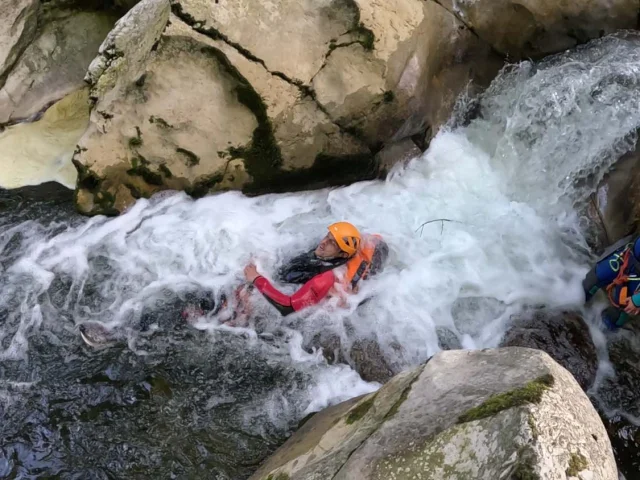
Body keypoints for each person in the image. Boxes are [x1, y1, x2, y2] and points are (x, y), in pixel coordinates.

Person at [239, 222, 388, 318]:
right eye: (327, 237)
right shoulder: (333, 253)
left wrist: (257, 278)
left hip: (312, 309)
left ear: (343, 254)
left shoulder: (326, 279)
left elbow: (287, 307)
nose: (323, 243)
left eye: (332, 243)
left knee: (244, 297)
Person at [583, 234, 640, 330]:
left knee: (617, 316)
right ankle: (576, 307)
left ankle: (604, 334)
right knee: (591, 280)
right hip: (628, 255)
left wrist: (638, 300)